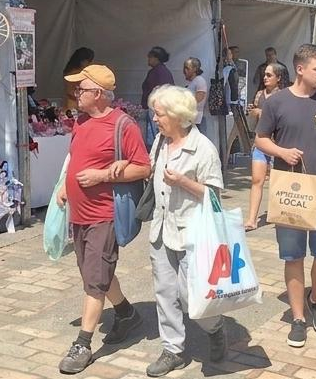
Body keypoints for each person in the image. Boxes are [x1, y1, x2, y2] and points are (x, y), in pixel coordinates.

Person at [254, 44, 316, 348]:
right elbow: (260, 139)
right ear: (300, 69)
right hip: (290, 191)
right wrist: (281, 152)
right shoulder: (277, 102)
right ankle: (298, 318)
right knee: (293, 255)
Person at [57, 64, 152, 374]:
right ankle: (126, 313)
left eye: (81, 89)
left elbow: (143, 167)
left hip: (104, 214)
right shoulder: (81, 121)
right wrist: (64, 186)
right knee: (94, 273)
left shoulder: (123, 125)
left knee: (95, 281)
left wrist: (101, 176)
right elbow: (75, 158)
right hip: (79, 214)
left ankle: (82, 344)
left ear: (98, 93)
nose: (75, 93)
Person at [143, 85, 227, 376]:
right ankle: (172, 350)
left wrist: (183, 182)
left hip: (193, 233)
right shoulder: (160, 142)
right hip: (161, 228)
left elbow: (215, 197)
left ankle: (215, 327)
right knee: (165, 292)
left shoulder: (203, 148)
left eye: (159, 114)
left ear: (177, 115)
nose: (155, 119)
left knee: (192, 296)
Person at [244, 63, 289, 231]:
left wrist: (260, 112)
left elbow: (282, 117)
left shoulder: (284, 96)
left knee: (278, 182)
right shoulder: (259, 94)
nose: (265, 77)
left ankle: (280, 214)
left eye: (269, 75)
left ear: (278, 78)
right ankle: (251, 219)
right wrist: (253, 111)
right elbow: (255, 116)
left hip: (278, 144)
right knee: (257, 180)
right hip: (261, 142)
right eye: (265, 74)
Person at [141, 46, 175, 145]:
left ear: (156, 58)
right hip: (154, 108)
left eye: (150, 57)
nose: (148, 59)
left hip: (158, 109)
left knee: (156, 136)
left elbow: (164, 91)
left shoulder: (160, 72)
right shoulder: (157, 71)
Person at [182, 57, 208, 127]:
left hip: (196, 120)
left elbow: (199, 99)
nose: (184, 71)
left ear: (195, 69)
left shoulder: (199, 80)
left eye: (187, 68)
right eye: (184, 68)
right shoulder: (194, 82)